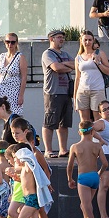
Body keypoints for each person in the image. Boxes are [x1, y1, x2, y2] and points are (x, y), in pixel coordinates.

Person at [66, 121, 108, 218]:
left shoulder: (75, 146)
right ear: (93, 132)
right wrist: (99, 174)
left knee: (87, 208)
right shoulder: (97, 146)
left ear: (79, 132)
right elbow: (105, 164)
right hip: (94, 177)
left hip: (83, 178)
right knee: (84, 206)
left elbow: (69, 166)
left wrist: (69, 179)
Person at [41, 28, 75, 157]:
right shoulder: (47, 54)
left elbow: (76, 64)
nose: (62, 39)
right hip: (53, 92)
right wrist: (66, 66)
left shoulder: (65, 54)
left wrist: (64, 64)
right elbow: (56, 67)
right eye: (59, 37)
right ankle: (48, 150)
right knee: (50, 122)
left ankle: (63, 149)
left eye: (62, 37)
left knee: (64, 123)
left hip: (66, 92)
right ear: (51, 39)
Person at [73, 30, 109, 123]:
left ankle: (97, 138)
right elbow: (77, 78)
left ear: (93, 40)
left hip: (97, 89)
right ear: (81, 41)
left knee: (98, 118)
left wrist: (98, 62)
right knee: (84, 121)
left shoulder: (99, 53)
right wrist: (74, 97)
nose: (87, 42)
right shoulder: (78, 57)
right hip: (82, 90)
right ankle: (86, 137)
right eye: (85, 40)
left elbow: (108, 71)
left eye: (90, 40)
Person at [0, 33, 28, 116]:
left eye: (12, 42)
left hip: (13, 92)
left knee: (13, 116)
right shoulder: (2, 56)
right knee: (0, 114)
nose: (10, 44)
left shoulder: (20, 57)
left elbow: (24, 77)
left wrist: (21, 95)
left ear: (16, 43)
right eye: (8, 42)